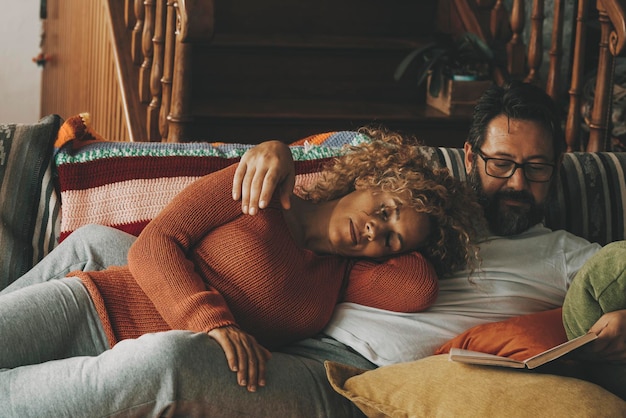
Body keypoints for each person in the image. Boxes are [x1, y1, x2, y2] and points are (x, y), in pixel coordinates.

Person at [1, 81, 622, 417]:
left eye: (537, 169)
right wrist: (280, 149)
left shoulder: (553, 252)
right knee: (91, 242)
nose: (517, 183)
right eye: (502, 163)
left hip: (328, 357)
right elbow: (347, 173)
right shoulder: (402, 190)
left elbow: (413, 282)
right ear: (469, 156)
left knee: (163, 359)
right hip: (240, 299)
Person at [0, 130, 484, 416]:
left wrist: (420, 229)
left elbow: (417, 288)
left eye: (393, 238)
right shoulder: (261, 189)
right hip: (92, 304)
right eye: (385, 207)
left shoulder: (343, 277)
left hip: (137, 373)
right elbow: (155, 245)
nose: (376, 230)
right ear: (365, 182)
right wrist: (213, 322)